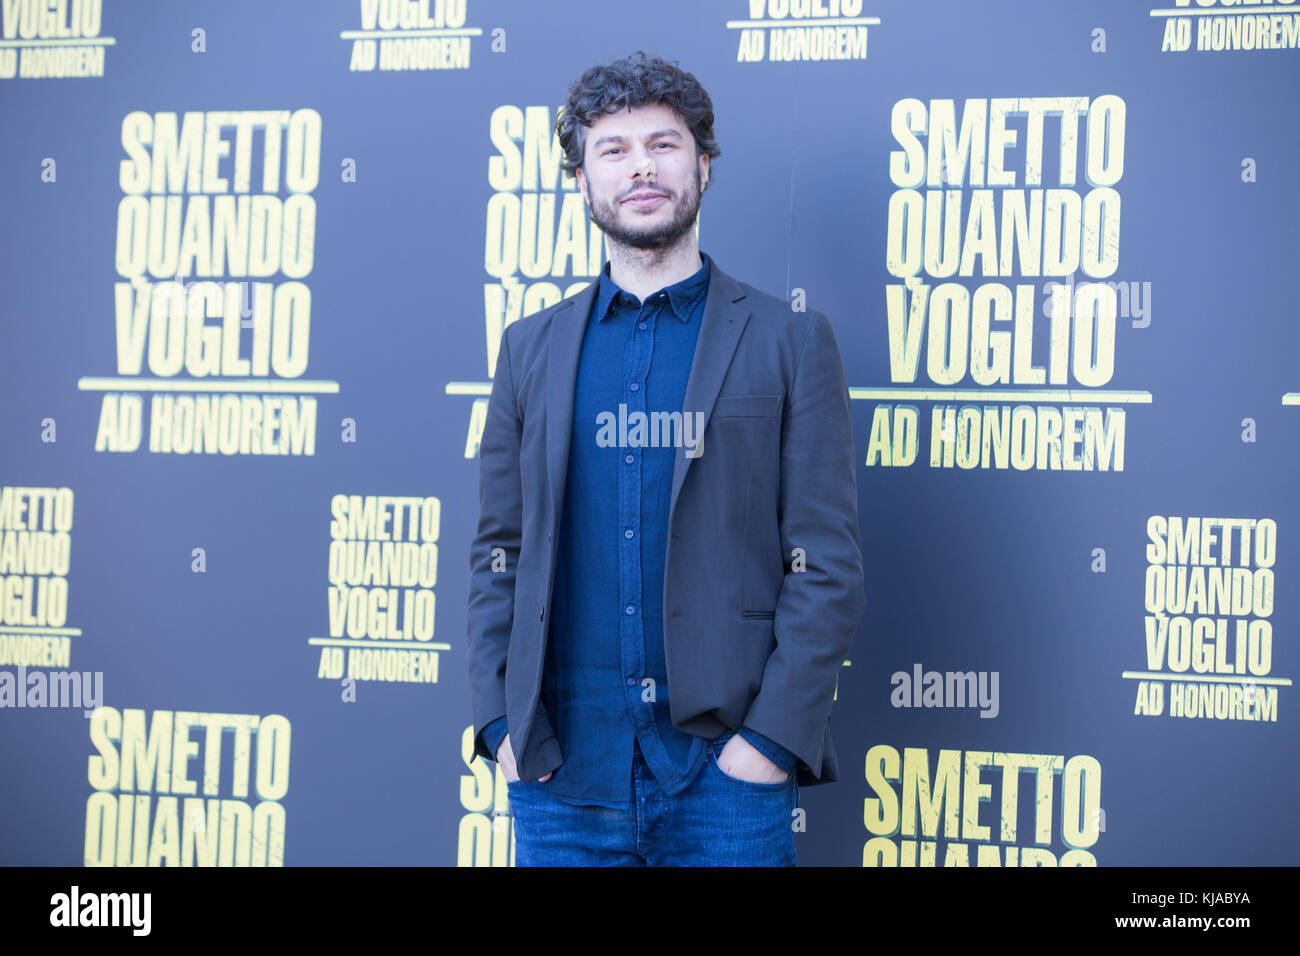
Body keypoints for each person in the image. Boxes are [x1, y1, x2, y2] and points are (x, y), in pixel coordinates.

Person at [466, 50, 865, 866]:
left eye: (663, 144)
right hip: (561, 775)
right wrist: (500, 724)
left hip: (728, 781)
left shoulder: (789, 342)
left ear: (704, 166)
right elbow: (495, 551)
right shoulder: (528, 349)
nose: (639, 166)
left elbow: (826, 563)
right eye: (612, 150)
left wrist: (771, 741)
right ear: (581, 180)